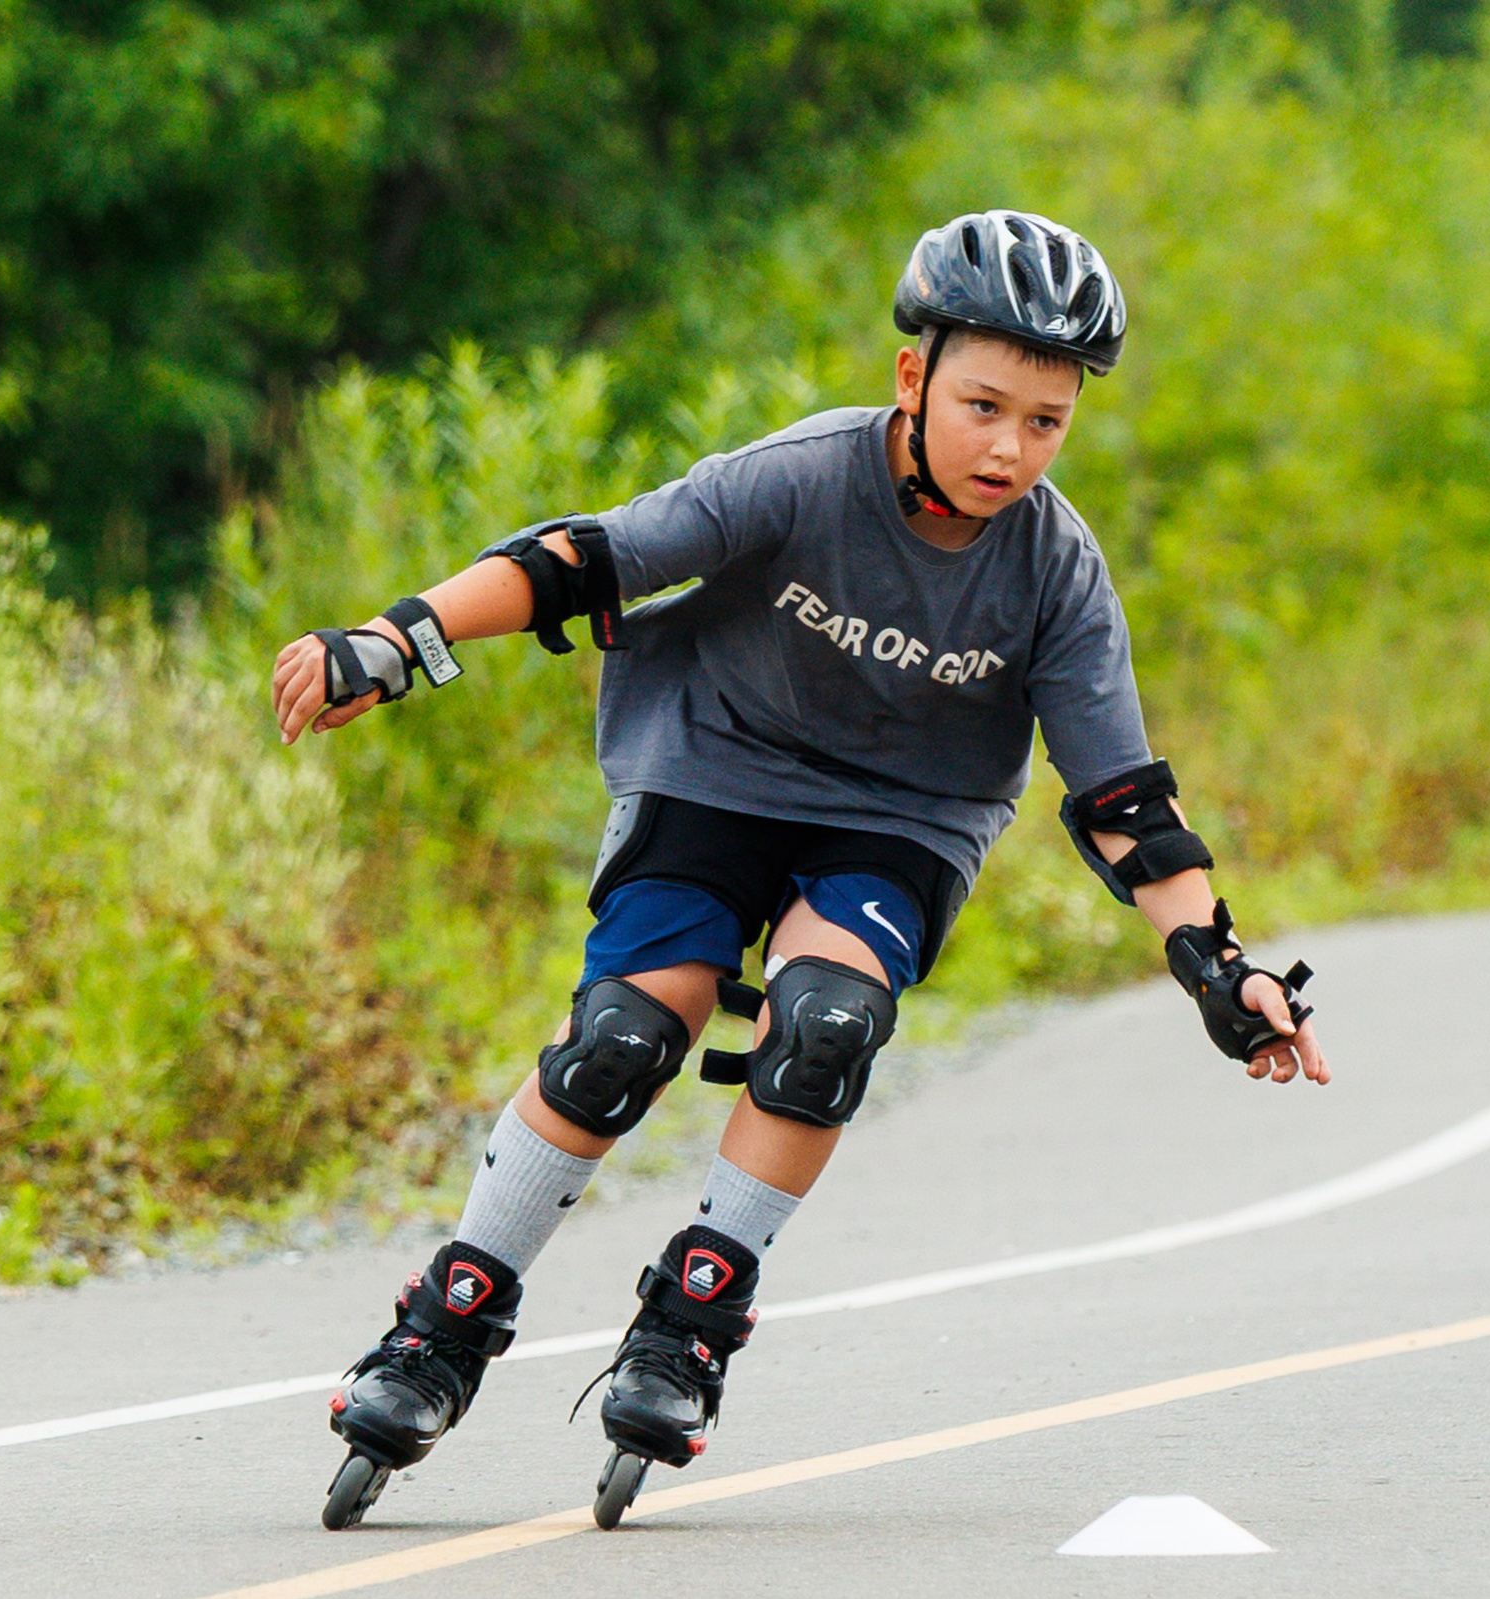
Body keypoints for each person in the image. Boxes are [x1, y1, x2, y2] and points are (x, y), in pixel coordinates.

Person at [273, 210, 1332, 1531]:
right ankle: (446, 1321)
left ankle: (693, 1321)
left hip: (902, 821)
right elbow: (583, 559)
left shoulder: (1056, 570)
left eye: (1047, 422)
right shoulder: (798, 478)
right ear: (912, 380)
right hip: (710, 770)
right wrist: (398, 635)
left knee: (826, 1025)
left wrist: (1218, 969)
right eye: (984, 406)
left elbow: (1125, 798)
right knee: (618, 1038)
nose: (1011, 447)